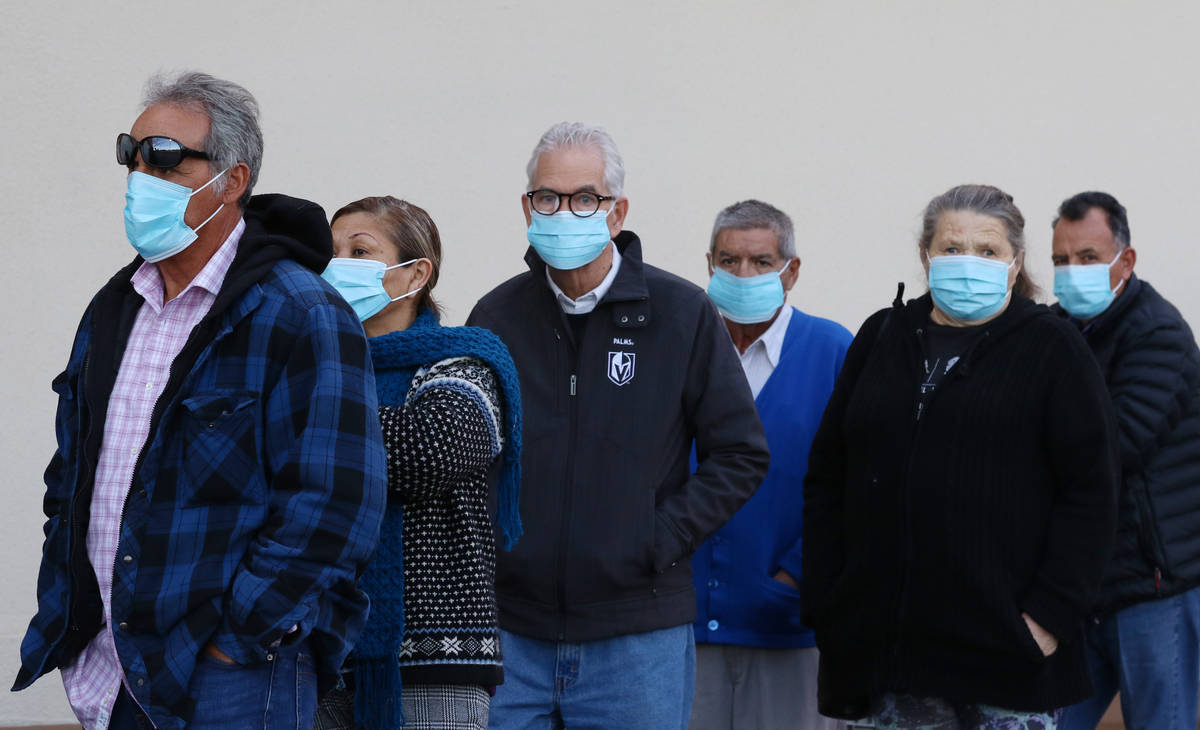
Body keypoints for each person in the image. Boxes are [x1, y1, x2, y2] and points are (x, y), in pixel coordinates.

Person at [12, 72, 387, 730]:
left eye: (163, 157)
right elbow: (71, 475)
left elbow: (335, 502)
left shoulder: (300, 312)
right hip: (114, 671)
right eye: (131, 153)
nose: (139, 174)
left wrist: (238, 637)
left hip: (232, 677)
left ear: (231, 181)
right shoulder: (116, 309)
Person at [467, 122, 770, 729]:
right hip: (511, 632)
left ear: (616, 211)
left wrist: (655, 538)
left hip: (636, 635)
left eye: (585, 198)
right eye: (547, 198)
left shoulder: (681, 314)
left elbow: (740, 454)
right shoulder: (496, 316)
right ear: (527, 208)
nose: (564, 212)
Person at [801, 184, 1119, 729]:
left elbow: (1092, 493)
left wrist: (1047, 618)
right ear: (926, 256)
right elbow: (829, 477)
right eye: (951, 247)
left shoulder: (1053, 348)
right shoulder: (882, 336)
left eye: (988, 250)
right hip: (885, 659)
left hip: (1005, 660)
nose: (968, 262)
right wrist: (830, 604)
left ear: (1015, 263)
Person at [312, 196, 523, 730]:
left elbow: (424, 453)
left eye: (359, 251)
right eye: (331, 252)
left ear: (416, 274)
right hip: (318, 656)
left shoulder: (464, 364)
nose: (338, 266)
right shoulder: (314, 365)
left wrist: (307, 421)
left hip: (435, 665)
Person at [689, 199, 851, 730]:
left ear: (792, 270)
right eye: (729, 261)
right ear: (709, 266)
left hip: (790, 630)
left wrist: (795, 579)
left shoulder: (833, 352)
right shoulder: (682, 351)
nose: (743, 274)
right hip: (685, 632)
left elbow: (860, 487)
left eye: (761, 262)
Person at [1050, 192, 1200, 730]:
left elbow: (1116, 446)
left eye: (1088, 258)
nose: (1072, 273)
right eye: (1061, 261)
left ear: (1125, 260)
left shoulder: (1157, 332)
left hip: (1151, 585)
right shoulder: (1057, 331)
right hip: (1080, 584)